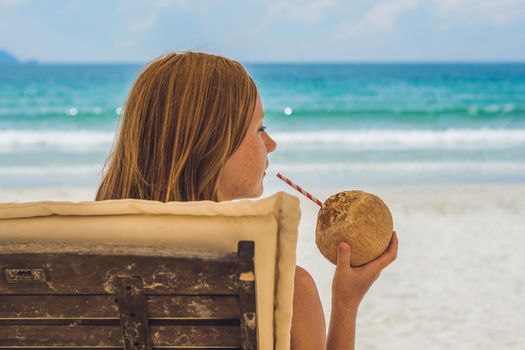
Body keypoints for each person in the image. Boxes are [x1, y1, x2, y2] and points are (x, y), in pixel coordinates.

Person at [96, 51, 398, 350]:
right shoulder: (286, 290)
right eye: (259, 129)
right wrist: (346, 303)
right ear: (212, 145)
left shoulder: (81, 271)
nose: (271, 143)